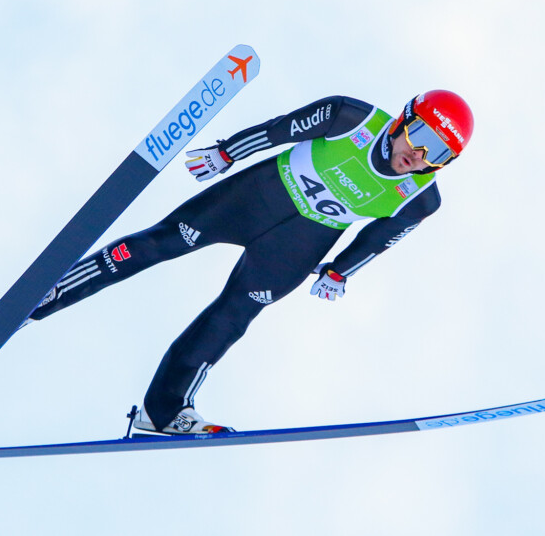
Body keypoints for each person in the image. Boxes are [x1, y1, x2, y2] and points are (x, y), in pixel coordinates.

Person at [27, 90, 474, 434]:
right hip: (255, 197)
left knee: (233, 316)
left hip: (298, 243)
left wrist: (341, 271)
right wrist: (226, 154)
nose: (418, 155)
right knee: (161, 243)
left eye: (437, 154)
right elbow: (278, 131)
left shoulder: (420, 198)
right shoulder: (349, 117)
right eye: (421, 137)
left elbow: (378, 240)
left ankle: (164, 411)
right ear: (403, 120)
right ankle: (50, 293)